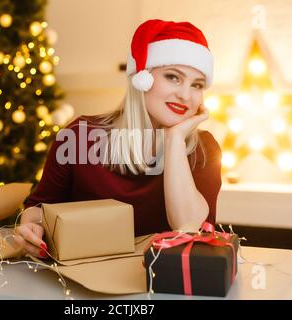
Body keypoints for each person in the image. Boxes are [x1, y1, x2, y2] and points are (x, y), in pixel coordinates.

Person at [14, 19, 222, 259]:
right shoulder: (80, 136)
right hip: (82, 283)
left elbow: (187, 227)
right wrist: (33, 227)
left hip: (164, 285)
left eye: (196, 85)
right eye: (173, 77)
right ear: (142, 78)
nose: (185, 95)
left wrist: (174, 139)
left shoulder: (205, 149)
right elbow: (39, 208)